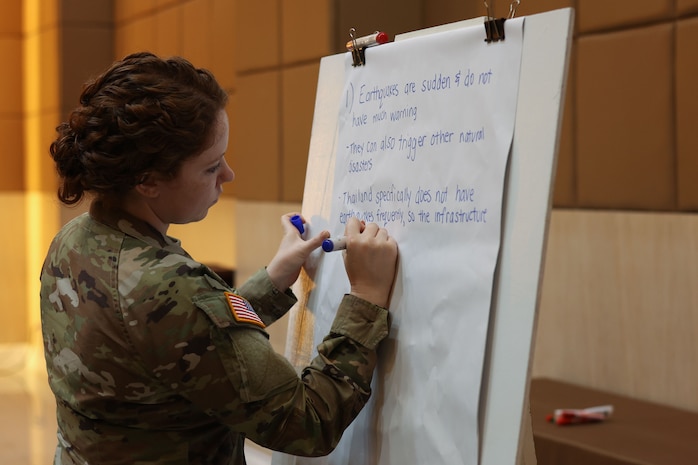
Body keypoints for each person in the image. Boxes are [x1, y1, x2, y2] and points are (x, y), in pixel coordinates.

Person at [40, 52, 398, 465]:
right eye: (211, 167)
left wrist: (272, 282)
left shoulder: (74, 239)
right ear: (148, 180)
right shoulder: (166, 286)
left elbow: (178, 345)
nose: (228, 175)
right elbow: (306, 423)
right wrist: (367, 297)